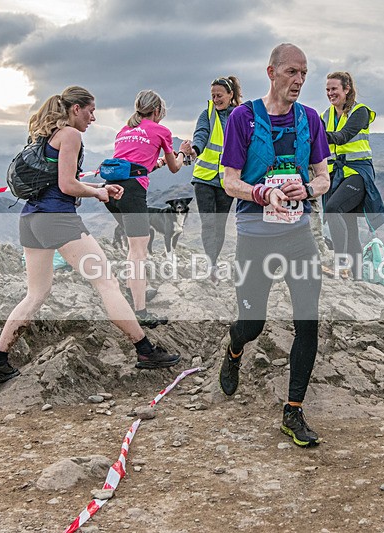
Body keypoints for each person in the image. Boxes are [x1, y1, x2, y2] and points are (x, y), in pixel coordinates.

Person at [0, 86, 180, 383]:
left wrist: (100, 190)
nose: (94, 118)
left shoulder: (45, 137)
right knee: (107, 282)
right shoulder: (71, 135)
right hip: (58, 219)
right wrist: (99, 192)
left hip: (31, 219)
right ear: (76, 109)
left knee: (36, 294)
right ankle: (145, 350)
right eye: (90, 111)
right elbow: (67, 185)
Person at [217, 43, 331, 447]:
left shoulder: (311, 120)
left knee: (308, 322)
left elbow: (323, 176)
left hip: (299, 237)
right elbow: (229, 181)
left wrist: (308, 187)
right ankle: (234, 350)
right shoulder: (243, 119)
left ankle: (293, 410)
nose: (298, 80)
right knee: (252, 324)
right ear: (271, 72)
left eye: (303, 73)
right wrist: (262, 192)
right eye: (291, 73)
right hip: (255, 237)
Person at [104, 90, 192, 328]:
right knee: (139, 253)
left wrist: (157, 162)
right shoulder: (161, 131)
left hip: (110, 192)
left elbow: (135, 165)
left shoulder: (124, 130)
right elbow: (176, 167)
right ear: (156, 111)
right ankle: (140, 310)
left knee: (134, 248)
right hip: (132, 194)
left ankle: (134, 292)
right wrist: (182, 151)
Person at [321, 72, 384, 280]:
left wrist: (313, 133)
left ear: (346, 89)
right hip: (338, 175)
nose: (330, 93)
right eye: (328, 90)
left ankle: (341, 265)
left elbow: (342, 137)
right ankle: (357, 276)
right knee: (348, 223)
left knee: (333, 209)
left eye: (334, 89)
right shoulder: (326, 115)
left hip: (359, 172)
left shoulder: (360, 112)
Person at [190, 76, 242, 282]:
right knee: (208, 223)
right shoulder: (207, 114)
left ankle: (213, 261)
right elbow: (201, 134)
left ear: (230, 95)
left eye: (219, 95)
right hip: (203, 177)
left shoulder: (239, 115)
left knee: (219, 225)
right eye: (212, 95)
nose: (216, 99)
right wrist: (194, 150)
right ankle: (210, 265)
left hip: (226, 181)